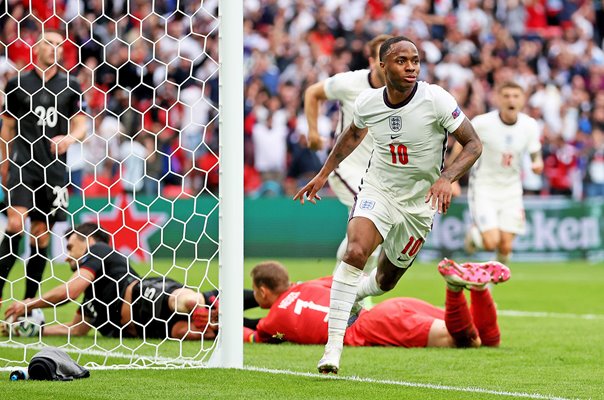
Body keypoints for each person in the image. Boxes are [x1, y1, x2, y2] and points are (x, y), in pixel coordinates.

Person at [294, 36, 483, 373]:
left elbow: (472, 144)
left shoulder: (435, 99)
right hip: (378, 189)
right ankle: (332, 349)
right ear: (382, 65)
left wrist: (446, 177)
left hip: (419, 203)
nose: (410, 66)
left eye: (415, 60)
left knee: (385, 281)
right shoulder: (368, 101)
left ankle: (355, 295)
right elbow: (352, 135)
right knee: (355, 252)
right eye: (401, 60)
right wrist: (323, 174)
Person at [3, 223, 223, 340]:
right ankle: (250, 329)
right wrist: (34, 330)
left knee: (186, 302)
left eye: (70, 248)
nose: (68, 256)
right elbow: (75, 329)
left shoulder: (98, 251)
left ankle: (207, 303)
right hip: (149, 329)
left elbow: (67, 293)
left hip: (146, 296)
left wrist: (27, 304)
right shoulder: (92, 295)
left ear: (88, 242)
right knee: (199, 333)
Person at [0, 29, 88, 304]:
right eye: (49, 43)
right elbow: (8, 128)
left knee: (41, 237)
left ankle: (26, 303)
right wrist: (4, 164)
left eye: (59, 45)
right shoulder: (17, 85)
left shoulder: (71, 85)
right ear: (36, 48)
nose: (54, 48)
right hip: (23, 166)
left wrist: (69, 139)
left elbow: (81, 124)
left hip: (54, 171)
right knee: (15, 223)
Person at [244, 260, 509, 351]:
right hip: (389, 309)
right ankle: (480, 290)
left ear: (263, 291)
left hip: (372, 327)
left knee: (464, 341)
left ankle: (454, 288)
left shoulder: (272, 321)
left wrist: (214, 322)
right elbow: (348, 280)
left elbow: (253, 336)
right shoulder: (308, 286)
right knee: (488, 342)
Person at [304, 34, 391, 272]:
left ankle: (343, 285)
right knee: (371, 220)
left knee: (374, 233)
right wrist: (313, 132)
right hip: (346, 166)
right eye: (383, 59)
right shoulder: (350, 83)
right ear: (372, 61)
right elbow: (313, 92)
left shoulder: (403, 92)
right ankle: (347, 290)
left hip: (379, 175)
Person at [456, 81, 543, 264]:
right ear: (498, 99)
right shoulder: (482, 123)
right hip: (484, 188)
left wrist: (537, 163)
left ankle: (489, 285)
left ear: (522, 100)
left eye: (515, 96)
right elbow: (461, 143)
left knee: (506, 247)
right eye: (506, 96)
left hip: (511, 190)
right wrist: (452, 177)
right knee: (491, 243)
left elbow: (535, 151)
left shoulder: (530, 125)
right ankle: (473, 234)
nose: (511, 100)